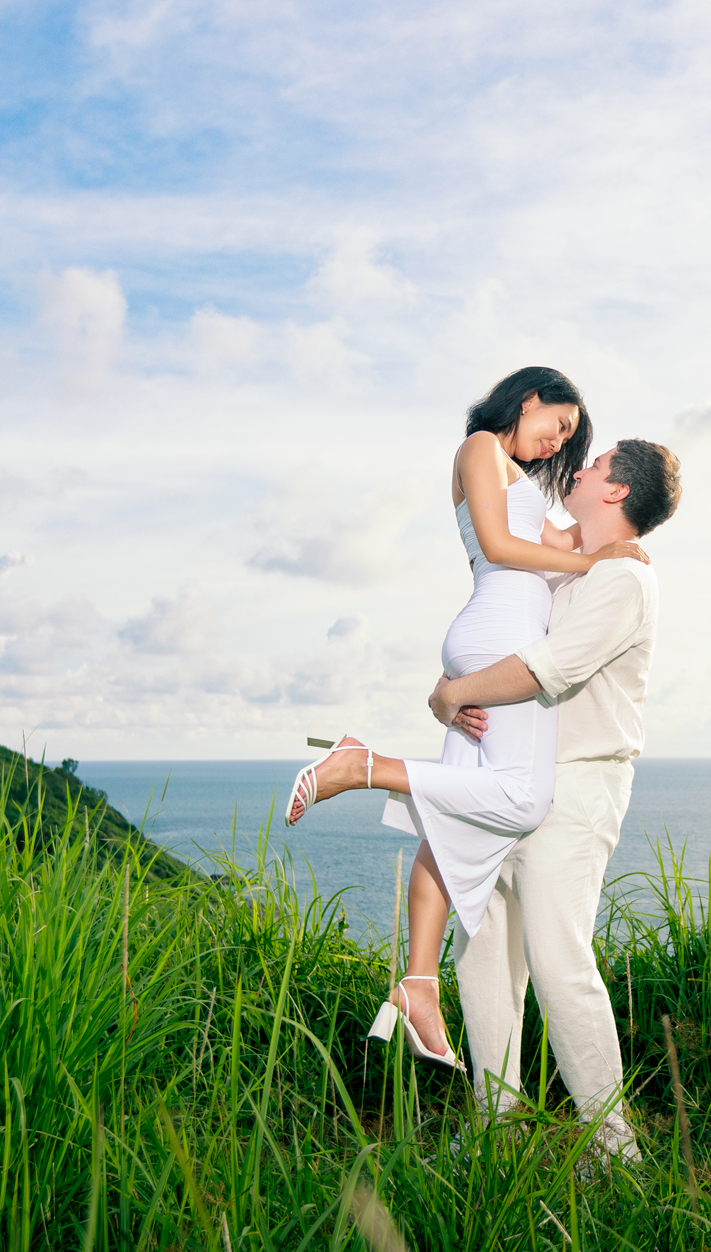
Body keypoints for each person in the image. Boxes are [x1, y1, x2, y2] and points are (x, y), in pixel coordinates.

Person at [282, 368, 648, 1071]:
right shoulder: (481, 445)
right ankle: (363, 765)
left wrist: (605, 546)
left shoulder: (516, 475)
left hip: (491, 635)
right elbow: (506, 550)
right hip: (500, 632)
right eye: (560, 424)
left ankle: (418, 986)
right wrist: (593, 557)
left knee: (456, 820)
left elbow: (566, 546)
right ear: (531, 396)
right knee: (525, 797)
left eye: (572, 440)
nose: (559, 442)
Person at [426, 437, 681, 1159]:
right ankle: (493, 1126)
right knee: (482, 954)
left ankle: (614, 1147)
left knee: (558, 960)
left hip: (578, 784)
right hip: (508, 777)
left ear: (616, 493)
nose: (579, 469)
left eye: (596, 466)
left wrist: (453, 694)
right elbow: (496, 564)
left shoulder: (625, 581)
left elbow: (550, 668)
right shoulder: (571, 570)